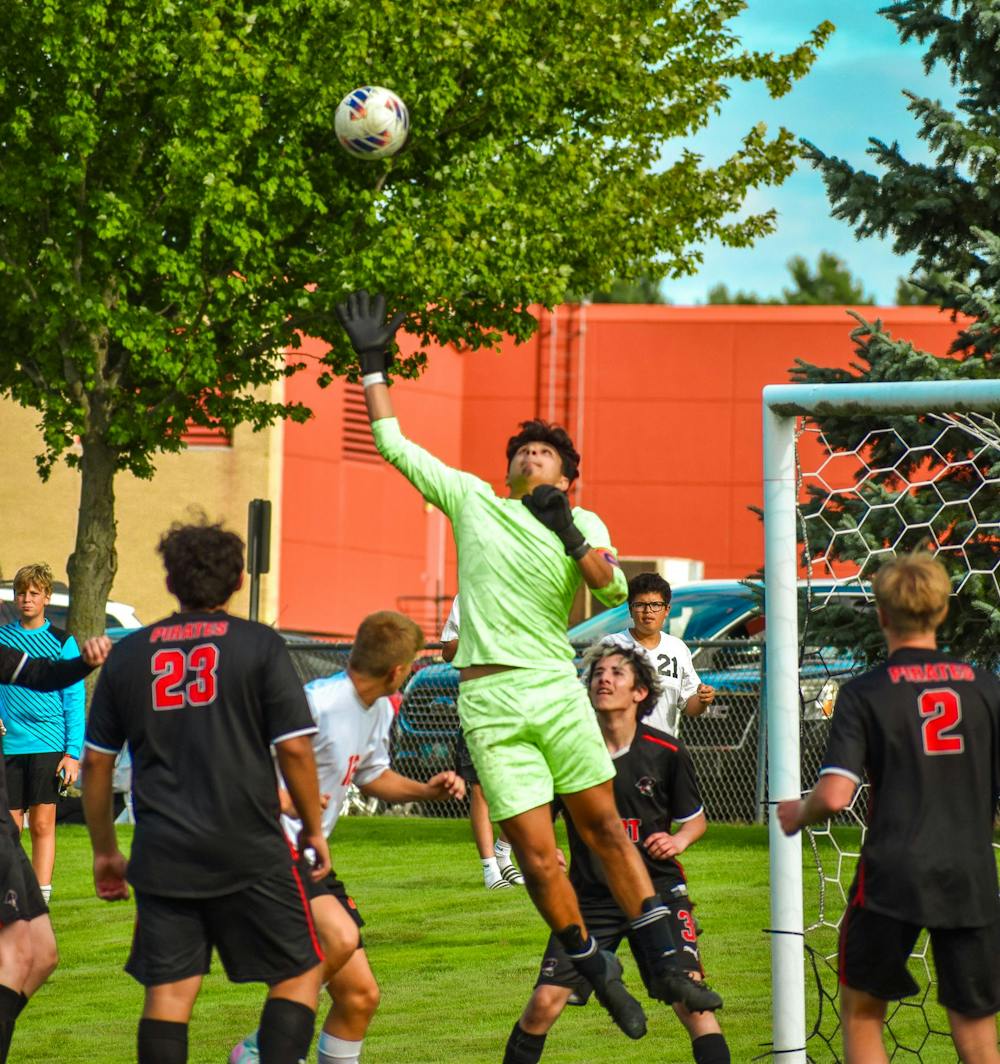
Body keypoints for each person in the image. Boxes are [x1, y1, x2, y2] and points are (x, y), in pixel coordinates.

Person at [335, 290, 722, 1040]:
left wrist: (569, 530)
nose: (528, 455)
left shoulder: (581, 522)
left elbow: (612, 580)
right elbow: (391, 444)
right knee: (537, 859)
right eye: (521, 452)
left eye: (543, 452)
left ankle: (667, 960)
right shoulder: (475, 501)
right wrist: (373, 362)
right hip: (487, 700)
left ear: (567, 476)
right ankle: (594, 968)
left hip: (552, 689)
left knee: (607, 830)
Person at [81, 518, 331, 1064]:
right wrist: (312, 827)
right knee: (301, 970)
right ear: (240, 580)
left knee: (170, 995)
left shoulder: (129, 655)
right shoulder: (259, 645)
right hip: (249, 844)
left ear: (170, 582)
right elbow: (293, 749)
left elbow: (96, 765)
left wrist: (105, 850)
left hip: (163, 851)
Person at [777, 552, 1000, 1064]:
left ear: (880, 615)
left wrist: (798, 811)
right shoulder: (987, 689)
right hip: (969, 873)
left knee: (861, 1011)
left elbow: (835, 795)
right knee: (975, 1026)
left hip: (892, 875)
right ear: (942, 612)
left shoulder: (866, 692)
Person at [231, 609, 467, 1064]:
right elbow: (241, 760)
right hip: (269, 846)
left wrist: (425, 788)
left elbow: (372, 775)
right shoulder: (315, 701)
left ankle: (268, 1043)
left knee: (360, 996)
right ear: (399, 670)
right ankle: (265, 1045)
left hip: (313, 855)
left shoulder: (377, 708)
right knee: (338, 938)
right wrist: (284, 800)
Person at [505, 641, 729, 1064]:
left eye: (616, 673)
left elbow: (695, 820)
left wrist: (678, 840)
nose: (603, 679)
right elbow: (537, 819)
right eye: (597, 673)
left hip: (658, 891)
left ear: (640, 692)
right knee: (543, 1006)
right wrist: (548, 850)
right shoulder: (569, 753)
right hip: (589, 899)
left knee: (692, 1001)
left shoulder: (667, 752)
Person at [0, 632, 111, 1063]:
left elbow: (45, 675)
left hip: (5, 832)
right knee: (14, 955)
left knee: (42, 953)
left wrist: (85, 662)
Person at [0, 562, 86, 905]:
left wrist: (73, 753)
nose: (27, 599)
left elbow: (74, 700)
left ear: (47, 597)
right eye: (22, 593)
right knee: (10, 828)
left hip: (49, 743)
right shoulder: (3, 638)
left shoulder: (63, 642)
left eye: (34, 593)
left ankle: (41, 898)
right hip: (9, 744)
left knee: (42, 824)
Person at [440, 595, 524, 890]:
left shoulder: (525, 592)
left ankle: (503, 852)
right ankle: (490, 870)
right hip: (479, 710)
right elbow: (447, 651)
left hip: (519, 708)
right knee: (481, 789)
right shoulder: (468, 596)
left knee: (525, 788)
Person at [602, 572, 714, 736]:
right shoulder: (611, 645)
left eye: (655, 604)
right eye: (640, 605)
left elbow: (690, 704)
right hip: (617, 746)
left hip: (661, 749)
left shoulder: (677, 648)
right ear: (630, 609)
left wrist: (703, 700)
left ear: (667, 610)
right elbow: (589, 693)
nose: (648, 611)